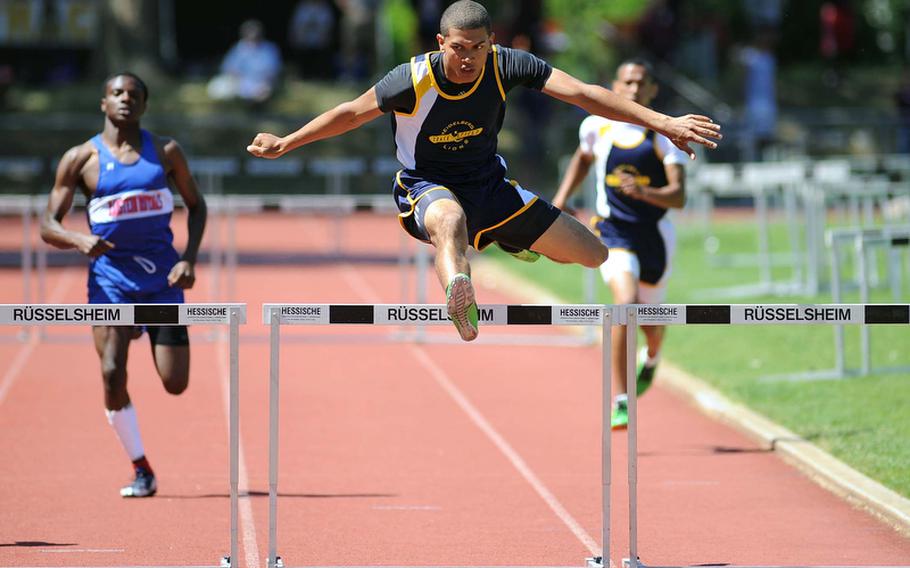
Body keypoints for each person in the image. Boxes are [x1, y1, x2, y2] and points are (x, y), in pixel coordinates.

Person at [247, 0, 720, 342]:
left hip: (491, 186)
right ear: (440, 43)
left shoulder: (507, 64)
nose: (468, 58)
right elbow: (351, 112)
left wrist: (662, 121)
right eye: (458, 48)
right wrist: (288, 141)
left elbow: (581, 93)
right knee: (449, 221)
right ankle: (460, 291)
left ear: (492, 42)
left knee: (594, 254)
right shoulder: (410, 79)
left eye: (477, 47)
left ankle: (507, 238)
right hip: (425, 186)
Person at [40, 72, 207, 497]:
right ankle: (141, 468)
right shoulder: (80, 159)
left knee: (176, 383)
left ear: (145, 105)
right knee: (112, 372)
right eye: (117, 93)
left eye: (134, 95)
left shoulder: (166, 152)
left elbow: (196, 205)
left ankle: (147, 327)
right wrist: (79, 240)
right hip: (111, 281)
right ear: (103, 103)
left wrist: (188, 259)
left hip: (161, 281)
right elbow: (47, 224)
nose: (125, 100)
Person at [551, 58, 687, 430]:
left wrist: (645, 191)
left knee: (650, 321)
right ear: (615, 85)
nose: (633, 89)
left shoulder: (662, 134)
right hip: (612, 232)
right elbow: (582, 158)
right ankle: (622, 399)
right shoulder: (596, 126)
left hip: (654, 237)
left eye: (640, 83)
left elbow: (679, 197)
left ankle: (654, 355)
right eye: (626, 83)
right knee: (624, 305)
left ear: (651, 90)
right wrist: (561, 200)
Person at [207, 19, 283, 105]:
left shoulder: (270, 49)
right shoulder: (238, 48)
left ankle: (257, 104)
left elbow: (273, 72)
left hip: (262, 83)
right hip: (240, 82)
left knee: (264, 91)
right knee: (216, 87)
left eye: (255, 34)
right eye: (249, 33)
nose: (253, 36)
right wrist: (238, 80)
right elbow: (228, 68)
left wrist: (265, 84)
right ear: (244, 35)